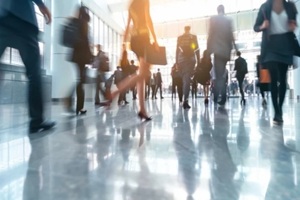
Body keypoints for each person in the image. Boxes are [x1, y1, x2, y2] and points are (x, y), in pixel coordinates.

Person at [0, 0, 55, 133]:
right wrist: (41, 4)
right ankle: (36, 120)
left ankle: (37, 120)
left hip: (2, 17)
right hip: (23, 19)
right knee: (34, 74)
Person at [107, 0, 160, 121]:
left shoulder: (131, 5)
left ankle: (142, 110)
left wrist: (124, 43)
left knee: (141, 76)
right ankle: (116, 92)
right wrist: (155, 40)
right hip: (143, 39)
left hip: (134, 41)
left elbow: (127, 26)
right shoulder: (144, 1)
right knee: (143, 73)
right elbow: (148, 19)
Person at [253, 0, 297, 124]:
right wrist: (263, 26)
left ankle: (280, 109)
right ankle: (277, 112)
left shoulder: (290, 6)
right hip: (270, 46)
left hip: (285, 45)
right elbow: (256, 27)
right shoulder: (265, 7)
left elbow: (294, 25)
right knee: (273, 79)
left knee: (283, 79)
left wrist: (292, 26)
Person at [207, 4, 237, 106]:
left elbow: (211, 35)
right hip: (226, 51)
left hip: (217, 50)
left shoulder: (213, 19)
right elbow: (231, 36)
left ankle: (218, 96)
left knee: (218, 75)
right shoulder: (228, 20)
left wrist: (208, 49)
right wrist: (236, 48)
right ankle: (222, 97)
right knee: (222, 74)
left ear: (217, 10)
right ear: (223, 10)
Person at [66, 6, 92, 115]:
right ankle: (75, 103)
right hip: (82, 56)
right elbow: (86, 42)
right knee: (81, 81)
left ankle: (76, 104)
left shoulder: (74, 22)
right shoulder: (84, 23)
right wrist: (90, 56)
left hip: (75, 55)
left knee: (80, 80)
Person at [176, 25, 200, 109]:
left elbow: (177, 50)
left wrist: (176, 62)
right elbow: (197, 49)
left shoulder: (180, 38)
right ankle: (185, 100)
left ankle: (183, 99)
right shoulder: (193, 37)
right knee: (186, 80)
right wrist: (199, 62)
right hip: (189, 60)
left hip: (180, 60)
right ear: (189, 29)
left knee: (184, 80)